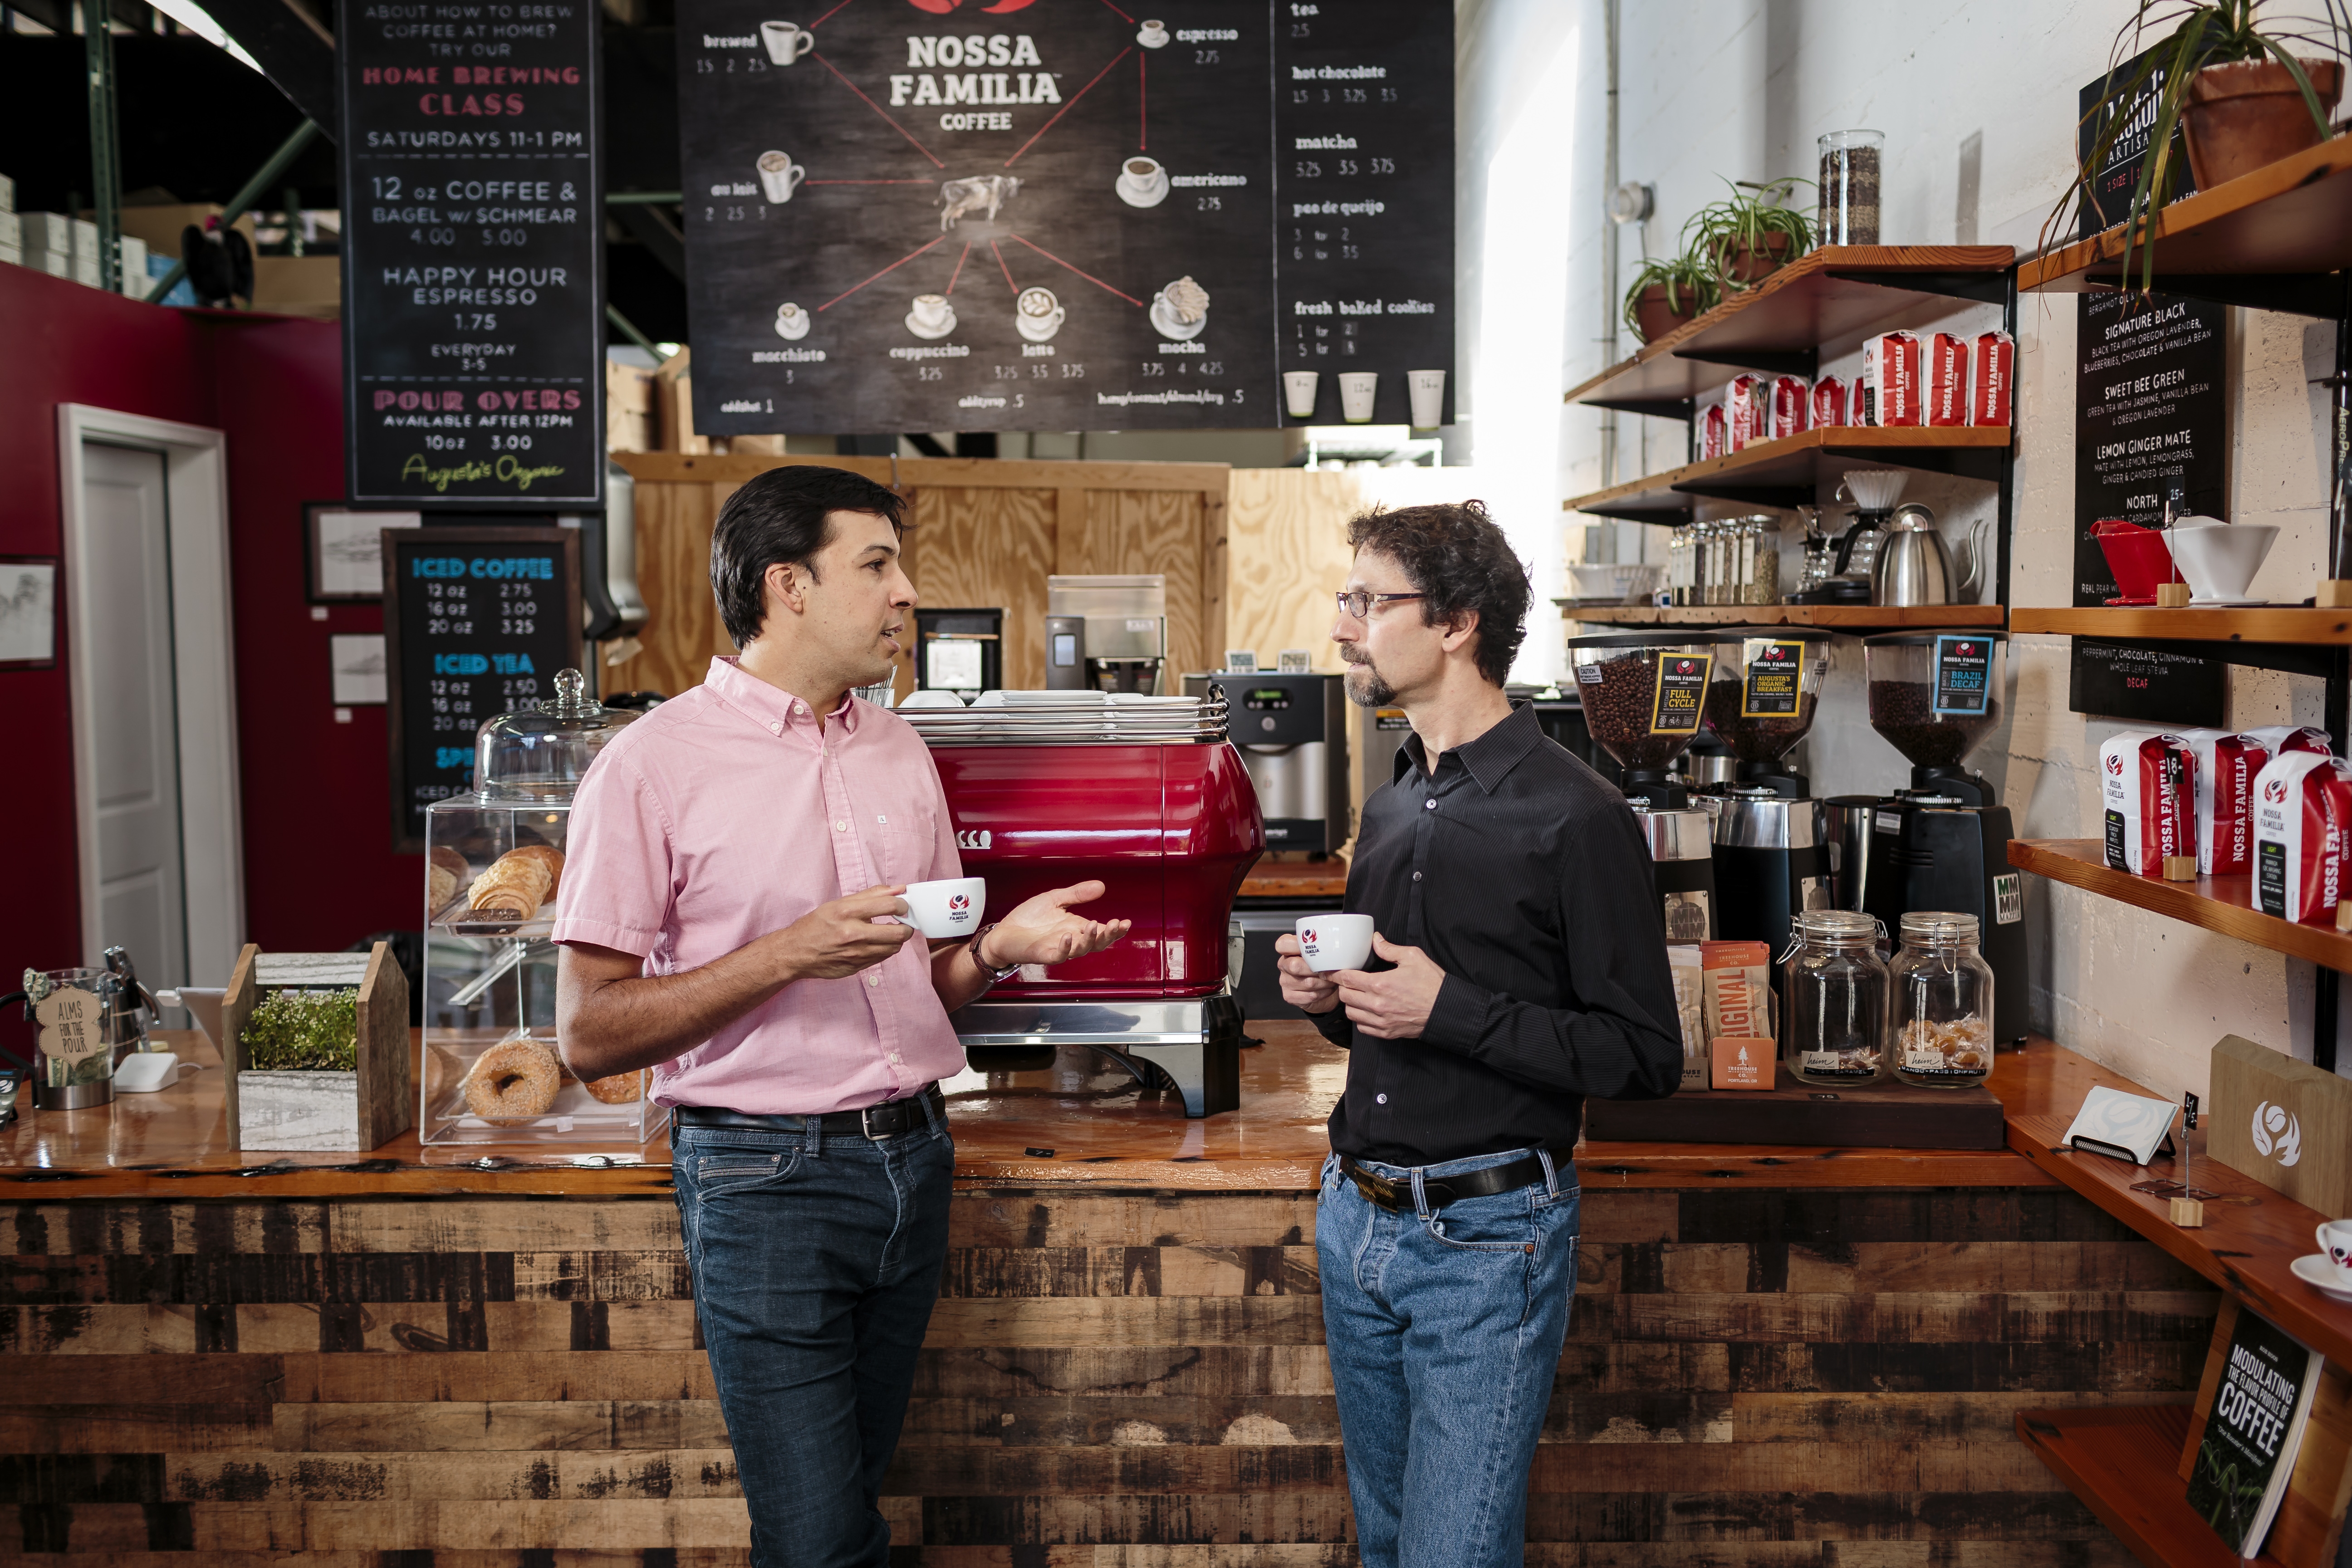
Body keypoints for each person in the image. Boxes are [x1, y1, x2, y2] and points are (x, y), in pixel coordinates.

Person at [552, 465, 1129, 1568]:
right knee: (820, 1541)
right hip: (763, 1184)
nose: (907, 592)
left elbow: (915, 988)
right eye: (877, 565)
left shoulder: (897, 749)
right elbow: (589, 1038)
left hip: (915, 1158)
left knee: (848, 1507)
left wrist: (999, 949)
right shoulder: (650, 767)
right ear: (789, 588)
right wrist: (786, 954)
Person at [1273, 500, 1682, 1568]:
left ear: (1456, 623)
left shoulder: (1579, 816)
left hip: (1488, 1242)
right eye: (1347, 598)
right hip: (1355, 1224)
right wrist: (1333, 1005)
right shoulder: (1398, 799)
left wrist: (1446, 1008)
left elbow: (1643, 1056)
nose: (1344, 625)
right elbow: (1385, 1017)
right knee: (1391, 1545)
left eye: (1369, 601)